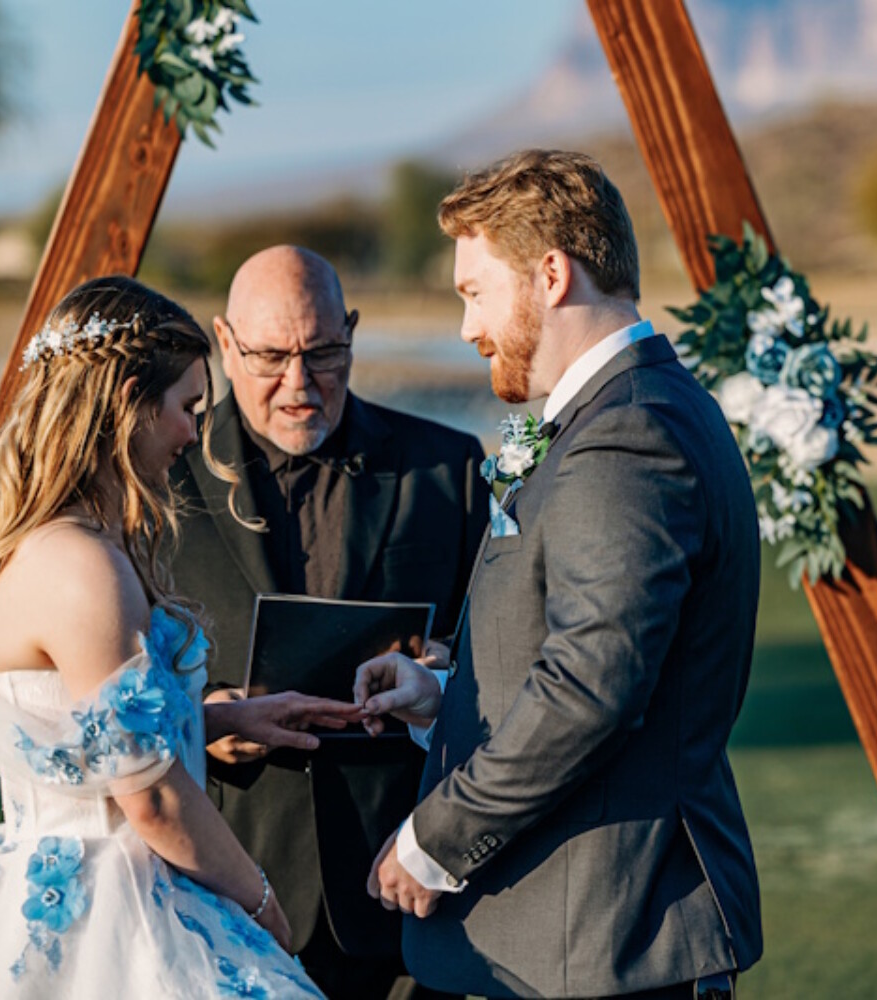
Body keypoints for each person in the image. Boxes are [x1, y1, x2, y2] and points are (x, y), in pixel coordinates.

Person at [0, 275, 364, 998]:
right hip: (110, 910)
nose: (191, 434)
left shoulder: (51, 545)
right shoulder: (84, 567)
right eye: (186, 407)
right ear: (128, 404)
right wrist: (259, 905)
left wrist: (217, 717)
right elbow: (147, 797)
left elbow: (77, 734)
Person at [355, 150, 765, 999]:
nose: (468, 328)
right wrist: (449, 699)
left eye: (475, 292)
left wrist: (437, 839)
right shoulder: (615, 415)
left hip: (609, 938)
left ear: (550, 274)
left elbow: (594, 683)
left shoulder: (628, 434)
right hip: (573, 941)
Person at [169, 246, 488, 998]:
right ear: (224, 342)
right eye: (271, 356)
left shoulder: (448, 469)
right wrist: (209, 717)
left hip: (404, 898)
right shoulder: (158, 479)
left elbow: (503, 661)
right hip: (218, 891)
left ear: (352, 332)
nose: (299, 384)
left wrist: (442, 671)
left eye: (323, 353)